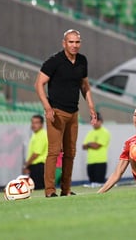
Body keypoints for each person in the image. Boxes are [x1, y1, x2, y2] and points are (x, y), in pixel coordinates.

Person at [34, 29, 98, 198]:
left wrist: (91, 106)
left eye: (77, 42)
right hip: (56, 112)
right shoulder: (54, 61)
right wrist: (48, 108)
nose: (74, 45)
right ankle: (49, 191)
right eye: (71, 42)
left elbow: (85, 86)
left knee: (70, 152)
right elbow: (38, 84)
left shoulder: (82, 61)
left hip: (73, 113)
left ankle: (66, 189)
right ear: (64, 43)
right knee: (54, 152)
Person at [82, 112, 111, 187]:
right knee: (92, 184)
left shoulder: (104, 132)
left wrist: (89, 144)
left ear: (101, 121)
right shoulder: (90, 133)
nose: (94, 123)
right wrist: (90, 144)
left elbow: (96, 146)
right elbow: (83, 146)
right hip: (90, 161)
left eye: (96, 121)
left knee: (99, 184)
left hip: (100, 162)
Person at [22, 114, 48, 190]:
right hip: (35, 166)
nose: (34, 125)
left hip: (39, 166)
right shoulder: (36, 134)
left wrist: (26, 165)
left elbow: (36, 154)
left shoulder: (41, 135)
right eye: (32, 122)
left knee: (38, 188)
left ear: (41, 124)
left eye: (36, 123)